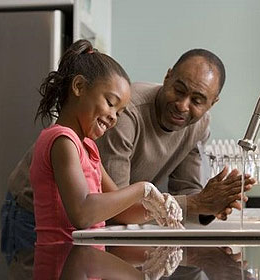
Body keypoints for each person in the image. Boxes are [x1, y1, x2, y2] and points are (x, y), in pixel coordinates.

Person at [28, 39, 183, 245]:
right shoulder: (63, 141)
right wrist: (142, 189)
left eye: (119, 112)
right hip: (61, 264)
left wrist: (156, 208)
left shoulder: (88, 147)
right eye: (110, 103)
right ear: (79, 86)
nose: (114, 117)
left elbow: (120, 211)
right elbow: (82, 213)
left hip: (85, 261)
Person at [96, 49, 255, 224]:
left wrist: (211, 206)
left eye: (197, 101)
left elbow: (186, 191)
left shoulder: (199, 125)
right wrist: (198, 203)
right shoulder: (126, 113)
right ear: (167, 77)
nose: (182, 105)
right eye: (179, 90)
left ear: (212, 103)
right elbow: (115, 207)